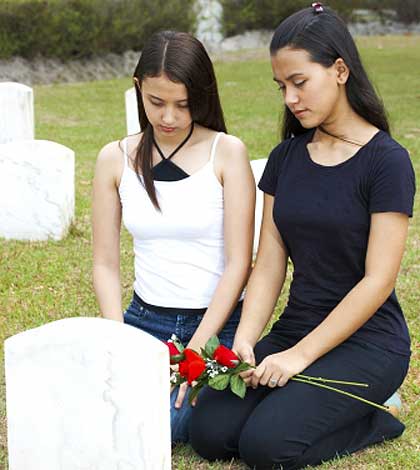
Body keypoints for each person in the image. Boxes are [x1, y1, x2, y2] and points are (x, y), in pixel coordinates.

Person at [190, 4, 416, 469]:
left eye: (300, 82)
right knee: (209, 435)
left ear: (339, 70)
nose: (290, 98)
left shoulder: (387, 162)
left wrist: (297, 358)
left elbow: (378, 281)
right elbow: (269, 261)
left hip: (368, 343)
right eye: (282, 87)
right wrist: (248, 341)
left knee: (267, 448)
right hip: (296, 327)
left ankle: (377, 418)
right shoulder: (286, 157)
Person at [92, 31, 255, 443]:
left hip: (217, 325)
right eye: (156, 102)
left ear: (202, 96)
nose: (168, 117)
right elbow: (105, 264)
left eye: (183, 105)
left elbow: (240, 263)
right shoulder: (114, 159)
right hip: (144, 323)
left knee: (171, 424)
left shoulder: (227, 152)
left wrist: (199, 348)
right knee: (104, 411)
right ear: (138, 90)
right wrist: (120, 341)